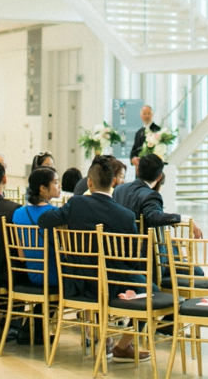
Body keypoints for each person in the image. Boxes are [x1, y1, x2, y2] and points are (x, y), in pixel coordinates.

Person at [38, 155, 147, 361]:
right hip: (111, 284)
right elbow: (133, 260)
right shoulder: (126, 216)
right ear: (113, 182)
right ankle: (123, 345)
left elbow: (44, 220)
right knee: (152, 291)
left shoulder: (75, 204)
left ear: (89, 183)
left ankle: (106, 340)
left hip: (77, 282)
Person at [114, 153, 203, 237]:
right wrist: (185, 219)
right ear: (159, 177)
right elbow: (155, 217)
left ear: (137, 170)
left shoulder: (119, 189)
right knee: (176, 244)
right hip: (141, 246)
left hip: (116, 244)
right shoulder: (151, 195)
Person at [12, 167, 61, 287]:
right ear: (43, 188)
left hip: (31, 276)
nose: (59, 186)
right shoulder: (56, 214)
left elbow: (21, 256)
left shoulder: (18, 213)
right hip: (55, 276)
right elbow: (65, 253)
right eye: (55, 182)